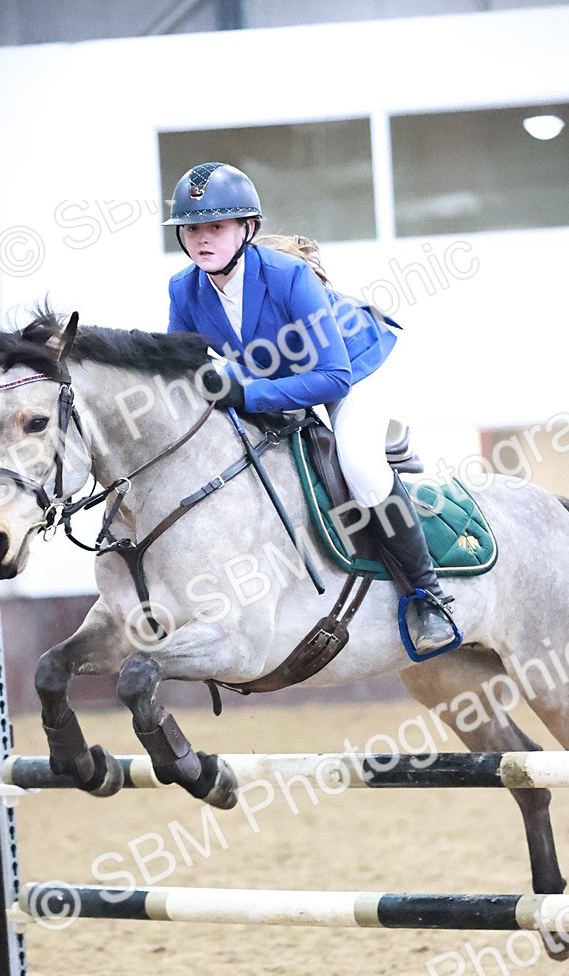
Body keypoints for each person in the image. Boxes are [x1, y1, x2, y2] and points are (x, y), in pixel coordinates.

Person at [164, 160, 459, 655]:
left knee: (362, 469)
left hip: (352, 368)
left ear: (247, 229)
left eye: (216, 226)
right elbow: (182, 371)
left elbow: (333, 376)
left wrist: (248, 394)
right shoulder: (184, 289)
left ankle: (428, 595)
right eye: (191, 228)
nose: (202, 238)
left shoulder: (289, 276)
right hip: (281, 373)